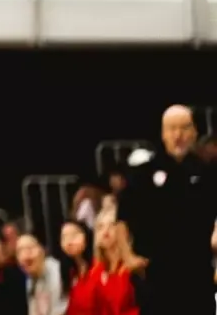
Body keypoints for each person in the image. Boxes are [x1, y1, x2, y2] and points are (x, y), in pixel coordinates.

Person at [113, 105, 212, 315]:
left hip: (196, 275)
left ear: (194, 132)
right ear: (163, 133)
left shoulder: (206, 172)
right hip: (155, 277)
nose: (178, 135)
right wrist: (127, 256)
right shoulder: (143, 173)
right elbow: (122, 217)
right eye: (172, 128)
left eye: (184, 128)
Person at [66, 220, 140, 315]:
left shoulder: (135, 267)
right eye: (100, 227)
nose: (106, 229)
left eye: (112, 224)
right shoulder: (97, 271)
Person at [15, 231, 68, 315]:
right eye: (20, 251)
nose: (25, 255)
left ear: (42, 250)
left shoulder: (56, 271)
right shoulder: (30, 280)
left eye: (29, 248)